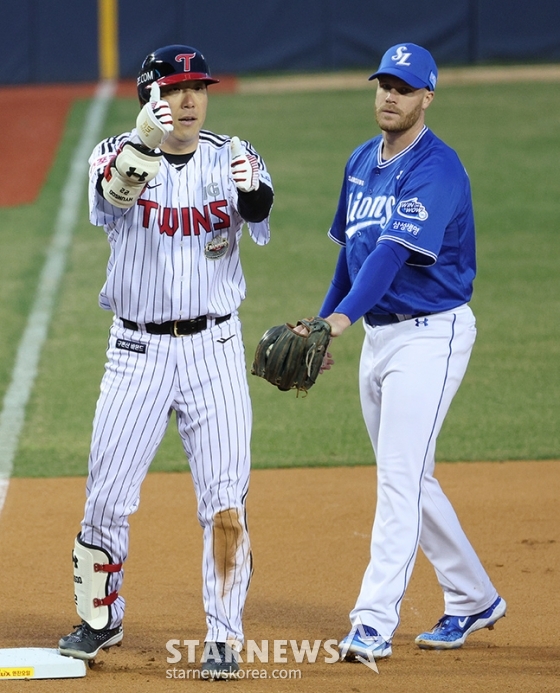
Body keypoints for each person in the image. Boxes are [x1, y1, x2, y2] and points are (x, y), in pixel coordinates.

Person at [57, 44, 274, 680]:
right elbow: (113, 200)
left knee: (226, 503)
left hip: (216, 351)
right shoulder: (114, 154)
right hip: (136, 352)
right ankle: (101, 617)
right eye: (175, 89)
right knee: (105, 499)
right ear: (150, 96)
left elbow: (258, 211)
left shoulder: (233, 153)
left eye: (197, 88)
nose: (188, 100)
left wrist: (252, 191)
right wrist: (143, 148)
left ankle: (225, 635)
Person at [310, 43, 506, 660]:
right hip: (380, 338)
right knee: (410, 477)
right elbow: (353, 251)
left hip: (432, 336)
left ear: (427, 97)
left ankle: (371, 623)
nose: (389, 96)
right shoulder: (361, 160)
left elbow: (393, 255)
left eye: (404, 87)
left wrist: (341, 318)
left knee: (397, 481)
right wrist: (321, 326)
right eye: (383, 84)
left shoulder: (437, 169)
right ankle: (473, 597)